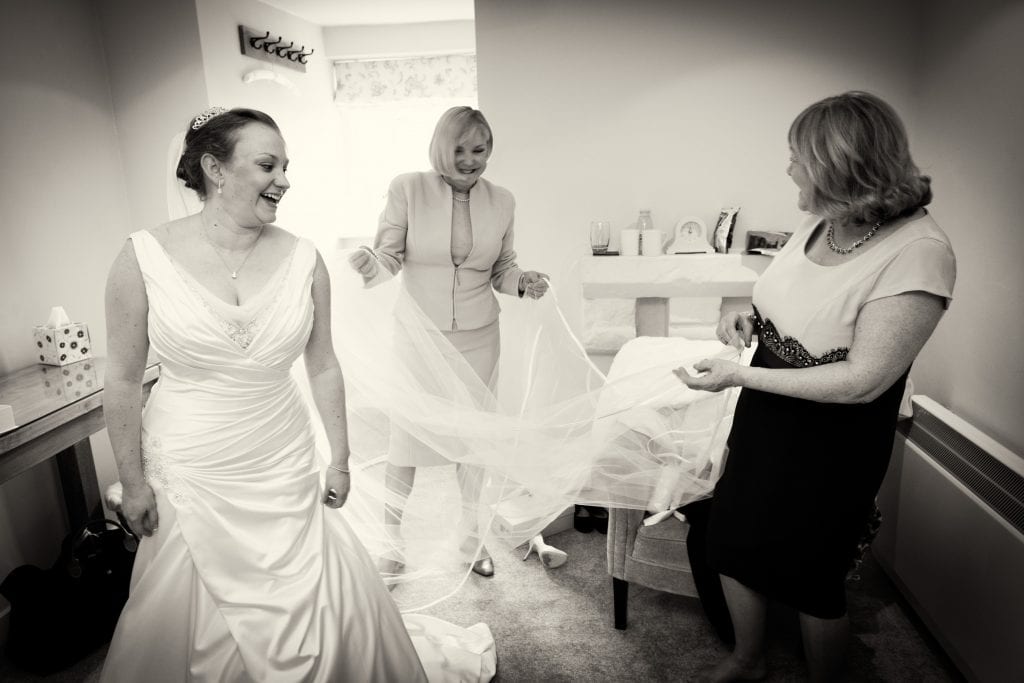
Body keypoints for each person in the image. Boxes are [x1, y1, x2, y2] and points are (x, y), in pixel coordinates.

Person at [100, 107, 428, 681]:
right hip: (191, 466)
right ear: (214, 169)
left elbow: (323, 364)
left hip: (282, 456)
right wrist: (132, 481)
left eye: (285, 166)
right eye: (267, 165)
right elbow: (124, 378)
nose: (284, 179)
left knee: (315, 590)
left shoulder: (304, 258)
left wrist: (343, 458)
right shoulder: (141, 257)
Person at [675, 91, 956, 682]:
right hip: (767, 412)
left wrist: (736, 374)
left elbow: (863, 381)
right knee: (733, 537)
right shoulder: (821, 218)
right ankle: (747, 658)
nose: (788, 168)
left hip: (835, 436)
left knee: (810, 572)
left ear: (838, 166)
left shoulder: (920, 254)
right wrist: (745, 318)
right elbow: (787, 300)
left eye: (797, 156)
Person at [348, 106, 563, 578]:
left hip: (480, 335)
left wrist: (523, 281)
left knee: (472, 444)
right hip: (419, 337)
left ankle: (471, 540)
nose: (469, 160)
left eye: (479, 149)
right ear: (441, 148)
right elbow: (388, 254)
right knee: (405, 442)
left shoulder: (502, 200)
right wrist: (370, 263)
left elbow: (502, 267)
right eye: (459, 149)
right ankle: (391, 543)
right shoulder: (408, 188)